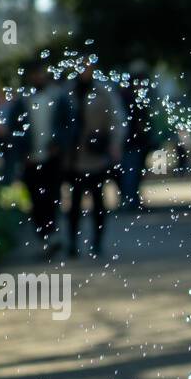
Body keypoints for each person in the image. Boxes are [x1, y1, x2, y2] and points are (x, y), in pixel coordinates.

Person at [56, 61, 125, 259]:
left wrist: (114, 144)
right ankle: (72, 243)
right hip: (73, 157)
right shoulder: (67, 93)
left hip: (96, 155)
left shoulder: (104, 93)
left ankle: (97, 242)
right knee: (74, 203)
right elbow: (59, 123)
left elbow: (116, 120)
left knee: (98, 202)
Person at [0, 61, 62, 254]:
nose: (38, 78)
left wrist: (58, 143)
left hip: (52, 159)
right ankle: (44, 235)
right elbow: (14, 129)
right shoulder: (22, 101)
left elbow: (68, 125)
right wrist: (22, 151)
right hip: (30, 160)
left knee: (52, 196)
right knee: (36, 199)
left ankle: (51, 233)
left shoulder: (57, 97)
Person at [118, 64, 154, 211]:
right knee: (131, 172)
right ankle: (130, 201)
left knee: (134, 172)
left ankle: (131, 200)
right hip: (131, 143)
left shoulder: (133, 98)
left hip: (136, 142)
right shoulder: (128, 99)